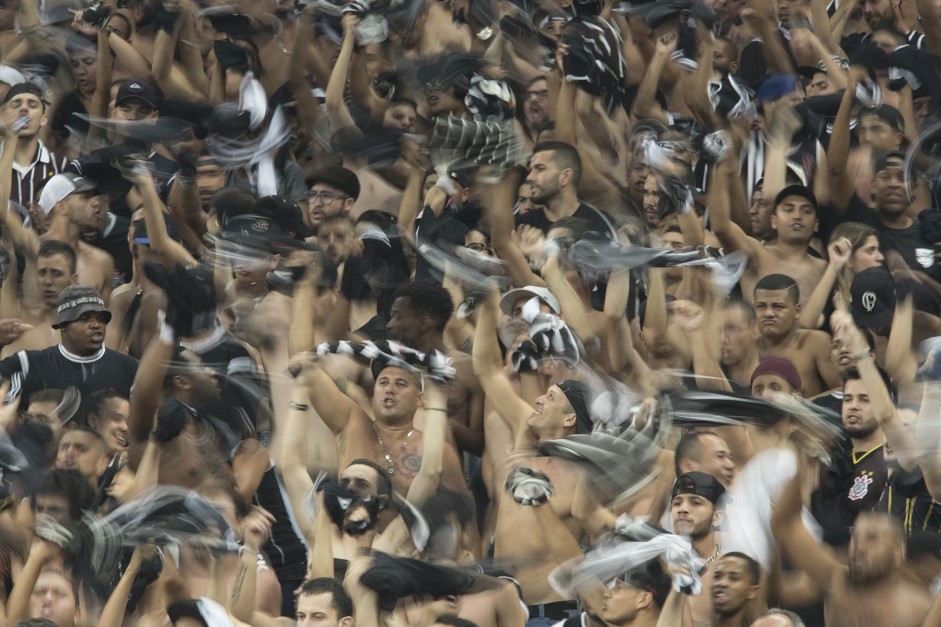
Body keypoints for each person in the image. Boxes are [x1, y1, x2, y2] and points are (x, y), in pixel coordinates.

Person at [0, 284, 137, 407]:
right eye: (85, 318)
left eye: (101, 319)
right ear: (63, 325)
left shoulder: (128, 369)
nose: (96, 325)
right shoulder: (29, 364)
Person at [753, 275, 841, 397]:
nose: (768, 313)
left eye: (778, 306)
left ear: (797, 311)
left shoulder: (817, 343)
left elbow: (843, 389)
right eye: (761, 306)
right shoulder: (747, 348)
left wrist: (800, 408)